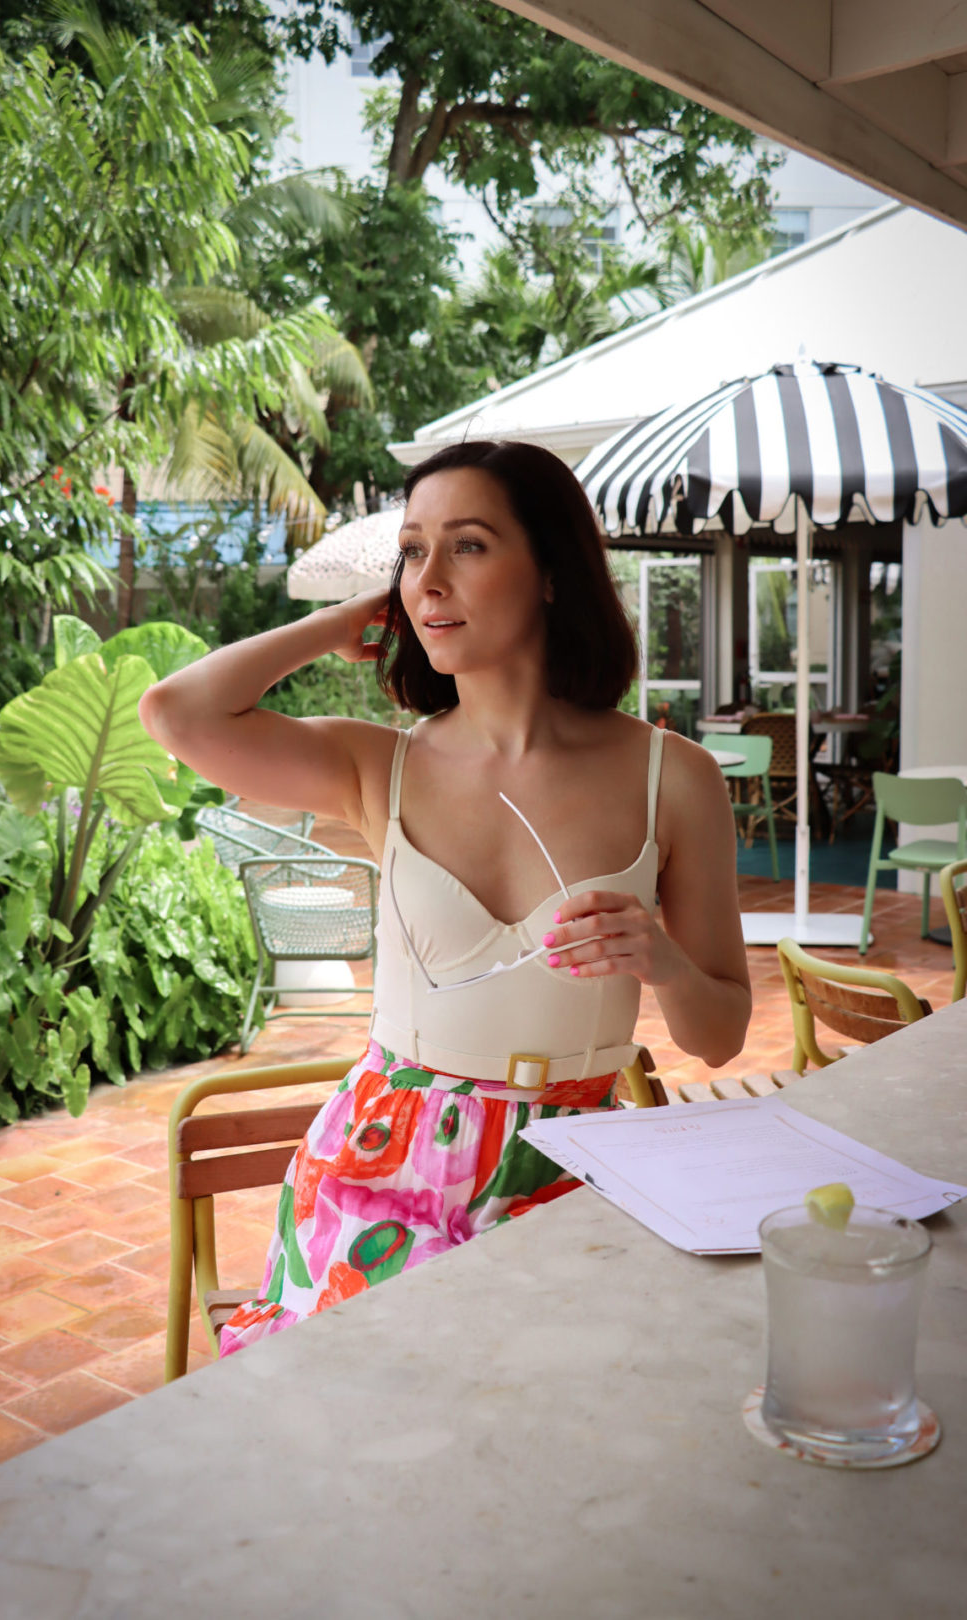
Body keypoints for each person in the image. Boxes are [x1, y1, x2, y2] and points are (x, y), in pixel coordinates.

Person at [139, 440, 750, 1354]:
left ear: (550, 573)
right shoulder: (378, 765)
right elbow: (177, 715)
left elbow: (720, 1034)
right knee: (360, 1433)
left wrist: (659, 958)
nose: (429, 580)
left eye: (467, 546)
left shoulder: (676, 778)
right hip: (376, 1166)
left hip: (570, 1164)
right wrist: (348, 619)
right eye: (411, 551)